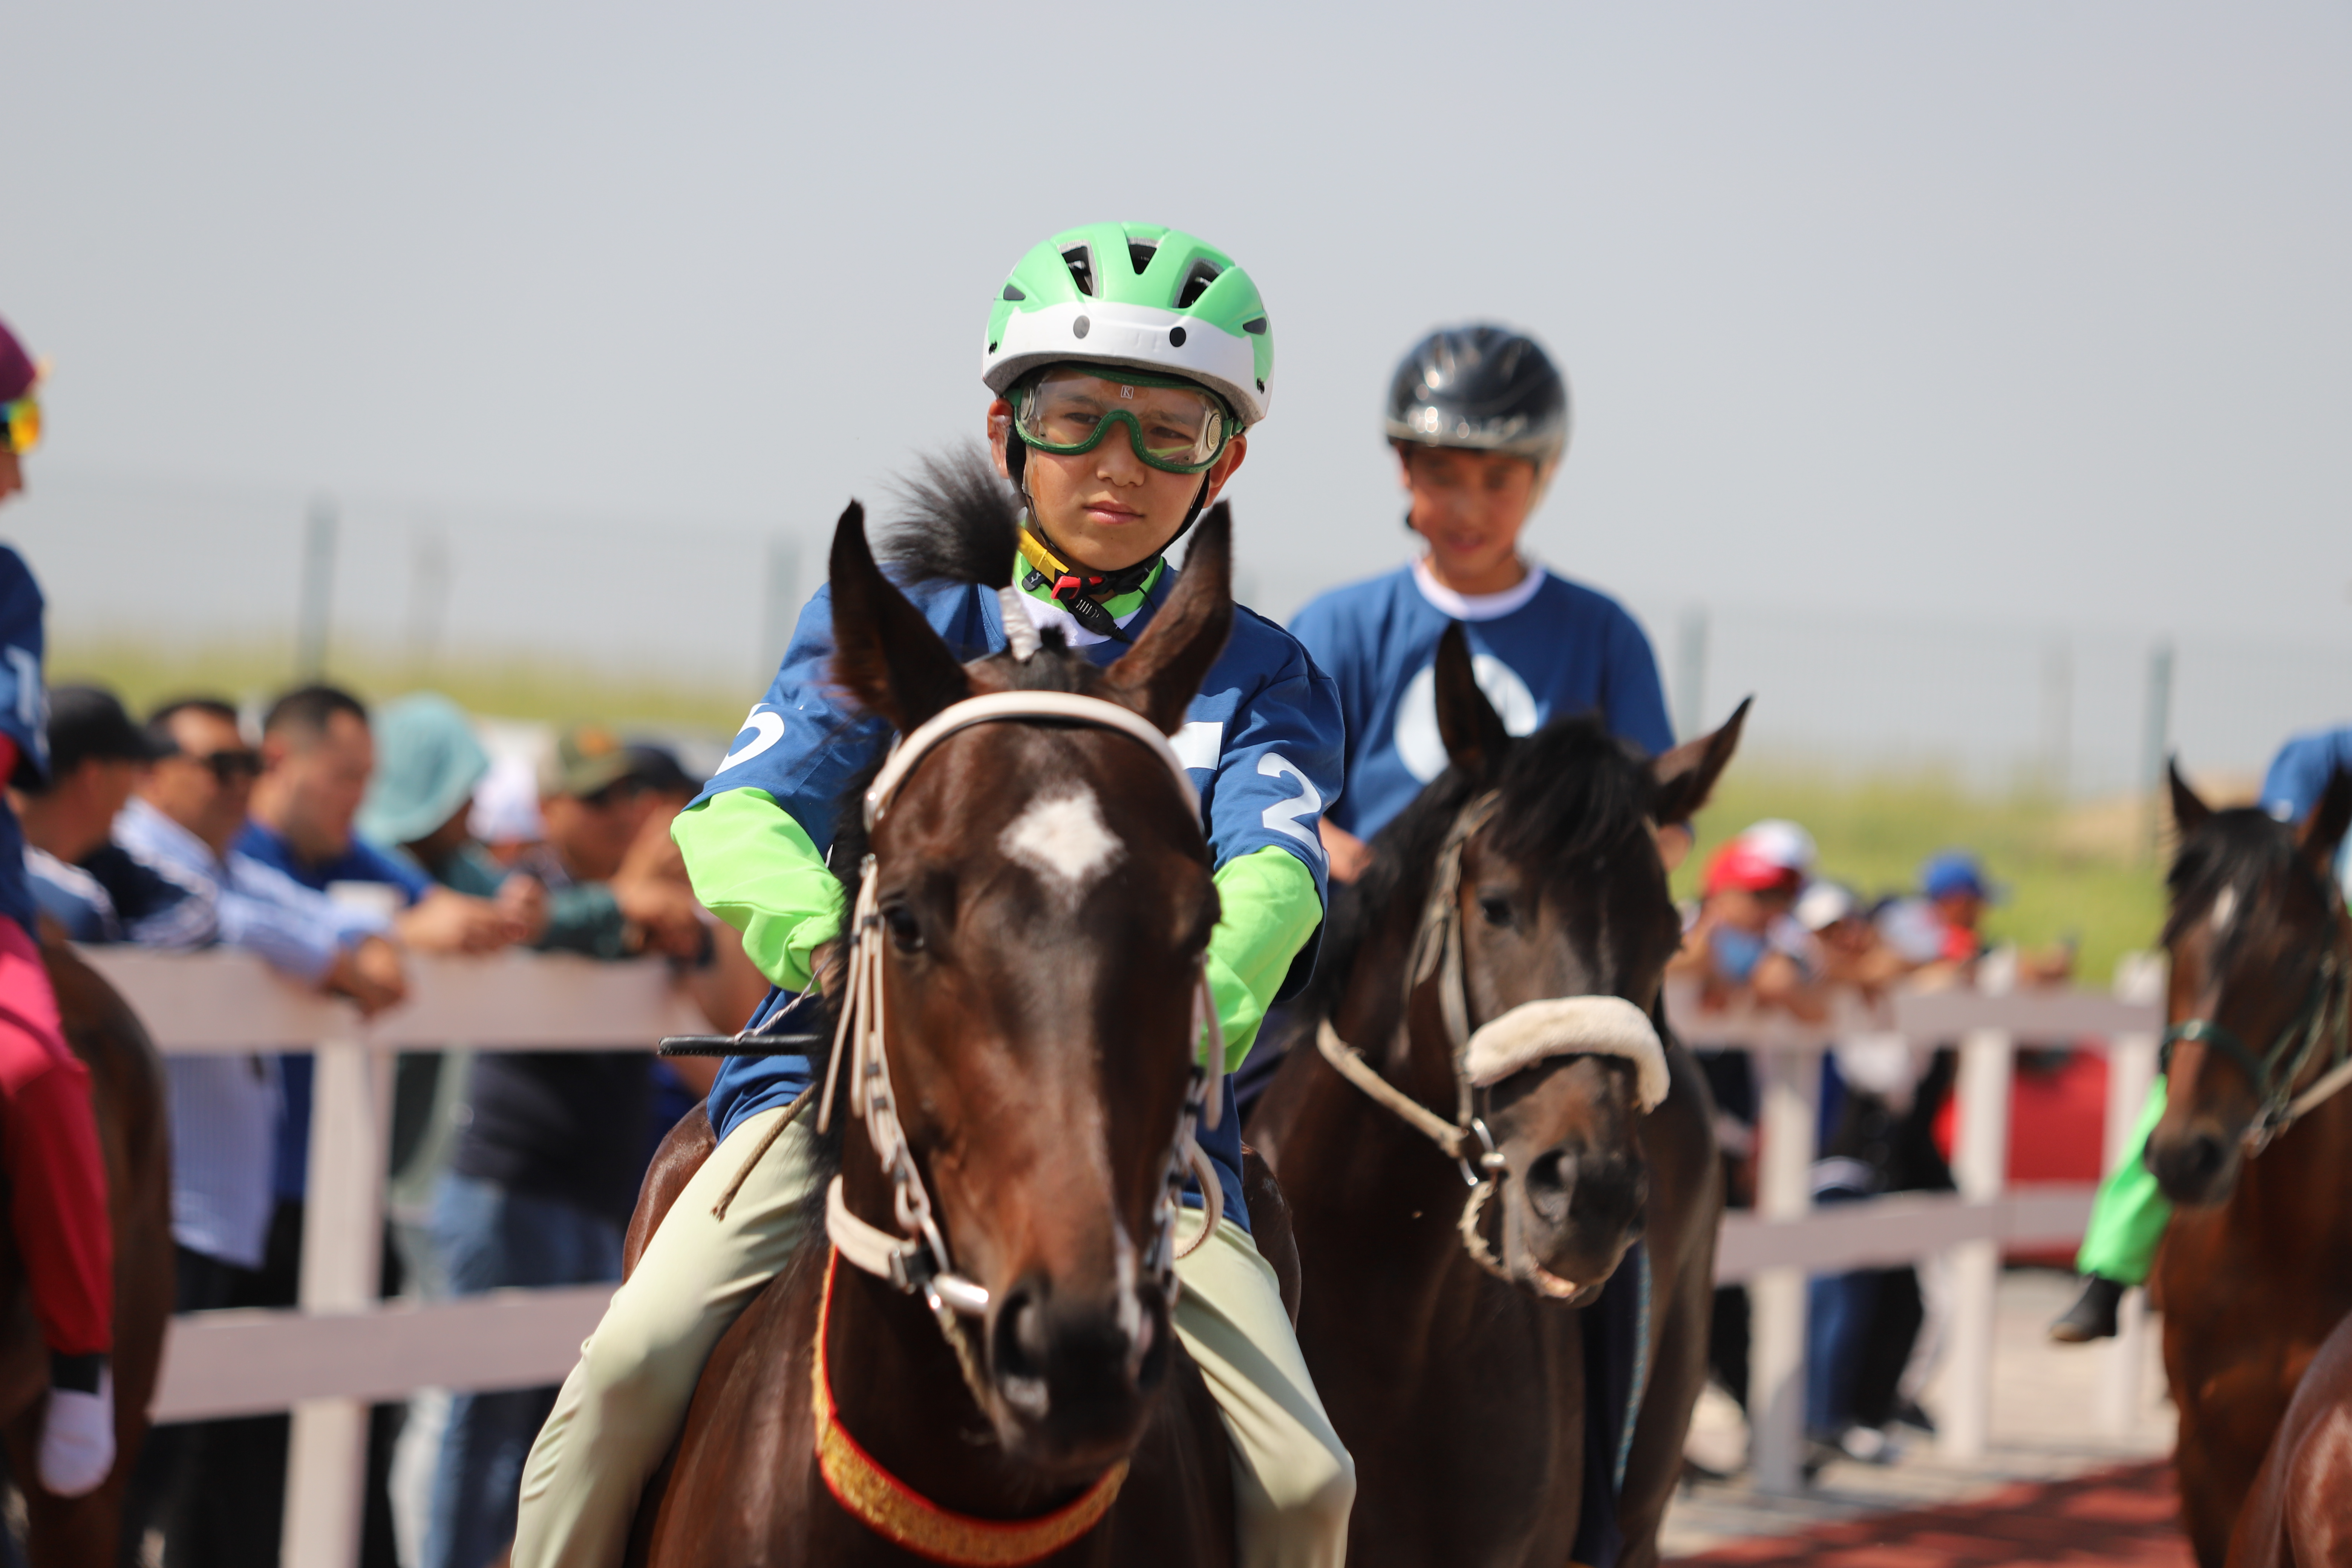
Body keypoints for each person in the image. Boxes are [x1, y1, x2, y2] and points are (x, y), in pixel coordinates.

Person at [512, 221, 1354, 1568]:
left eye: (1170, 433)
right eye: (1077, 418)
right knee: (625, 1372)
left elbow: (1274, 876)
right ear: (1006, 431)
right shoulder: (911, 614)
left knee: (1308, 1483)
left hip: (1141, 1135)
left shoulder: (1265, 678)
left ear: (1227, 459)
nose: (1120, 466)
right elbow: (737, 819)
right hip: (835, 1088)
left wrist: (1172, 1013)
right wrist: (838, 957)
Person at [1287, 324, 1677, 887]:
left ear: (1546, 472)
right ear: (1403, 466)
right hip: (1364, 938)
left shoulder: (1603, 636)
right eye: (1442, 476)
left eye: (1498, 481)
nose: (1468, 510)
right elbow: (1273, 794)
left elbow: (1664, 826)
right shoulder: (1336, 627)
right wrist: (1373, 878)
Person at [2052, 737, 2352, 1343]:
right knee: (2187, 1094)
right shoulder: (2322, 755)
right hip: (2324, 946)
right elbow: (2279, 861)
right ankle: (2110, 1269)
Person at [0, 311, 118, 1501]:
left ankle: (81, 1362)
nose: (23, 469)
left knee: (36, 1073)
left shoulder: (8, 586)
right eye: (13, 427)